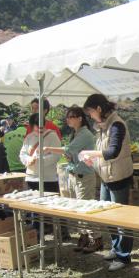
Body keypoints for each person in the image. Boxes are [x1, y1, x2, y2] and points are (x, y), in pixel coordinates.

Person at [80, 94, 133, 271]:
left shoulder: (116, 124)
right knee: (108, 215)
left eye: (90, 112)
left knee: (122, 218)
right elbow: (102, 154)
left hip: (119, 176)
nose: (90, 116)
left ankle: (124, 256)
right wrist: (92, 160)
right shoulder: (102, 126)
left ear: (99, 109)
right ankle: (116, 248)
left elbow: (112, 152)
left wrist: (91, 153)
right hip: (106, 177)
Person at [43, 106, 100, 253]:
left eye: (71, 117)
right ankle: (84, 236)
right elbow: (71, 154)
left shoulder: (85, 134)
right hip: (75, 175)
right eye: (67, 117)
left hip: (84, 176)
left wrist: (49, 148)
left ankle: (96, 238)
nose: (68, 119)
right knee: (78, 209)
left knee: (87, 209)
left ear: (80, 118)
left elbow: (69, 149)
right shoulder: (76, 133)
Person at [19, 114, 62, 237]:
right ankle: (36, 235)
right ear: (32, 126)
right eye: (37, 128)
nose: (39, 130)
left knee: (51, 208)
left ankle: (59, 234)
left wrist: (38, 161)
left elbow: (56, 155)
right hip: (31, 177)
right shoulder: (29, 137)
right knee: (33, 209)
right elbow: (22, 154)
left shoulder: (52, 136)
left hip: (48, 178)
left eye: (41, 127)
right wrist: (28, 160)